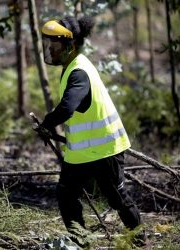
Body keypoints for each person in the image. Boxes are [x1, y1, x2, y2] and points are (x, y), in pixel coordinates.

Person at [40, 16, 142, 244]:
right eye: (48, 45)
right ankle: (80, 242)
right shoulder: (73, 66)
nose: (50, 50)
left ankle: (141, 243)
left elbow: (67, 108)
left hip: (105, 150)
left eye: (54, 45)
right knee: (66, 195)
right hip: (81, 153)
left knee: (118, 199)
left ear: (71, 45)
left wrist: (47, 122)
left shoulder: (79, 72)